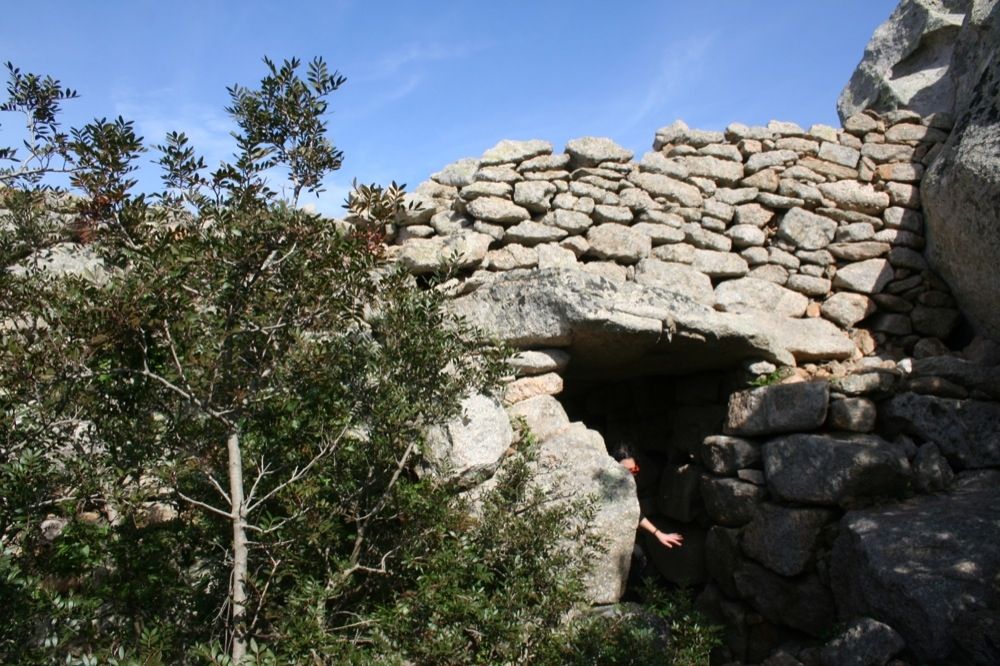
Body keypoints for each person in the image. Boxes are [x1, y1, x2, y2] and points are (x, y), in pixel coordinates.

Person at [612, 444, 684, 549]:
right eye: (625, 471)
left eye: (633, 471)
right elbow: (633, 512)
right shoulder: (611, 484)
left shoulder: (646, 471)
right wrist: (658, 534)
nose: (630, 476)